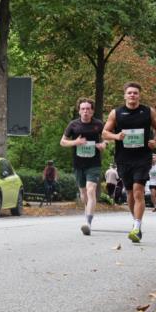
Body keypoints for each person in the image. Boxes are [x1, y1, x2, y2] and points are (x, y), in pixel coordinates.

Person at [103, 82, 156, 243]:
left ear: (139, 95)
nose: (132, 95)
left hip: (143, 157)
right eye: (129, 93)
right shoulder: (116, 113)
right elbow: (104, 133)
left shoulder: (148, 111)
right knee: (129, 193)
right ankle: (136, 222)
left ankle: (136, 227)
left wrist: (154, 140)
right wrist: (116, 137)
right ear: (125, 95)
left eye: (135, 93)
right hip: (123, 158)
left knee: (138, 191)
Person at [60, 98, 106, 235]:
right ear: (79, 111)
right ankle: (87, 213)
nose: (85, 111)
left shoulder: (98, 124)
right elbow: (62, 142)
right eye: (83, 109)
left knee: (91, 190)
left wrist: (104, 144)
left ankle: (88, 223)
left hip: (94, 163)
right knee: (83, 193)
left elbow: (106, 138)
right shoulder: (73, 125)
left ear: (92, 111)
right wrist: (76, 142)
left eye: (88, 109)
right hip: (78, 164)